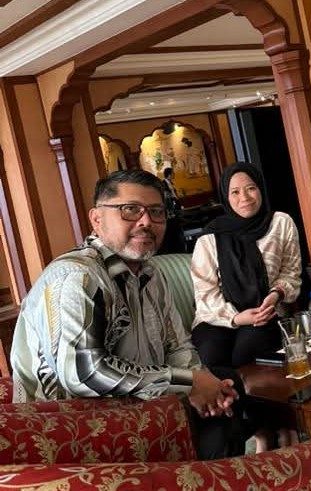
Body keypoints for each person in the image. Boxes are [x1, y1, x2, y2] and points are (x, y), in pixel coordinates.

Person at [10, 169, 247, 459]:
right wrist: (188, 382)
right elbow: (82, 373)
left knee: (225, 386)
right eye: (130, 210)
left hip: (139, 405)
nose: (146, 222)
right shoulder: (76, 277)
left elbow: (177, 345)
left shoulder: (151, 273)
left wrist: (202, 385)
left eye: (156, 212)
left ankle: (207, 473)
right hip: (73, 424)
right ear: (97, 219)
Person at [190, 162, 302, 369]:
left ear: (261, 189)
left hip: (265, 313)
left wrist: (276, 294)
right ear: (226, 196)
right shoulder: (209, 238)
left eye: (251, 188)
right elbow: (205, 293)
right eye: (235, 192)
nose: (245, 197)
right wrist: (236, 318)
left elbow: (290, 273)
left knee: (246, 355)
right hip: (217, 317)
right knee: (211, 357)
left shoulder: (280, 223)